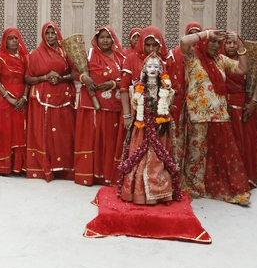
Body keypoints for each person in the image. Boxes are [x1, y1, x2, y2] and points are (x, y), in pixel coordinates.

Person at [178, 28, 251, 205]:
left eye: (219, 43)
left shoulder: (220, 60)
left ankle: (220, 187)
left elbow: (242, 69)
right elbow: (183, 41)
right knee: (196, 152)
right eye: (213, 41)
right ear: (205, 41)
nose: (216, 45)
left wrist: (241, 48)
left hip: (218, 114)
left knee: (221, 153)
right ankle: (194, 186)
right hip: (197, 114)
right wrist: (207, 33)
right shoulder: (193, 56)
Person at [118, 53, 183, 204]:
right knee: (138, 158)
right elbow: (135, 108)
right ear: (144, 69)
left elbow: (168, 107)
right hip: (141, 129)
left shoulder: (167, 89)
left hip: (161, 129)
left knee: (158, 160)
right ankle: (138, 194)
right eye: (149, 66)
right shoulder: (136, 89)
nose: (152, 69)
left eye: (156, 66)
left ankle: (158, 194)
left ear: (161, 70)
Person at [24, 22, 78, 181]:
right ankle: (44, 168)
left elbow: (75, 73)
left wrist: (62, 78)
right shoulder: (35, 54)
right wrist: (45, 77)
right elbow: (28, 78)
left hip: (63, 98)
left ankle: (63, 168)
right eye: (47, 33)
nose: (50, 36)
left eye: (52, 33)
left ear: (57, 34)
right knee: (45, 133)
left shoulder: (65, 52)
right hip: (42, 101)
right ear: (43, 35)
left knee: (63, 133)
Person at [74, 26, 127, 186]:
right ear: (96, 39)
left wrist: (112, 84)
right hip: (92, 105)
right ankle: (89, 175)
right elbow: (74, 72)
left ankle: (107, 175)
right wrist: (84, 77)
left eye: (107, 37)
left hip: (113, 106)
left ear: (112, 39)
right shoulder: (89, 55)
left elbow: (127, 78)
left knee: (109, 141)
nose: (105, 40)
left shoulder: (120, 58)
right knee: (91, 138)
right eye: (101, 37)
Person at [115, 26, 168, 173]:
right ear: (141, 44)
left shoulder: (164, 60)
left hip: (159, 113)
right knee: (136, 147)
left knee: (158, 148)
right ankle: (135, 185)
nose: (151, 48)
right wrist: (127, 115)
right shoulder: (131, 59)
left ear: (160, 45)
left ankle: (155, 183)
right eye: (148, 44)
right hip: (136, 112)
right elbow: (124, 88)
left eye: (155, 45)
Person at [164, 22, 202, 186]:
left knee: (197, 141)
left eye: (197, 34)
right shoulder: (173, 55)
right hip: (179, 104)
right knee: (177, 139)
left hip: (199, 106)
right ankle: (175, 176)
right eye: (191, 34)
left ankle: (193, 179)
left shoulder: (206, 56)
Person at [221, 31, 257, 188]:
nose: (231, 46)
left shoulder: (245, 62)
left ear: (240, 44)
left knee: (244, 143)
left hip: (243, 108)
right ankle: (227, 177)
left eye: (234, 43)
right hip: (224, 108)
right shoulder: (220, 61)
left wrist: (254, 103)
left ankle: (245, 177)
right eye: (228, 43)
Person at [0, 28, 29, 175]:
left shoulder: (24, 58)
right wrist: (9, 98)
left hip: (21, 102)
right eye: (11, 38)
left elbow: (27, 78)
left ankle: (19, 166)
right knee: (5, 132)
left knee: (20, 132)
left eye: (16, 38)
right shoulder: (0, 58)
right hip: (4, 103)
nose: (14, 41)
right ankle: (4, 165)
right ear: (5, 42)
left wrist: (24, 98)